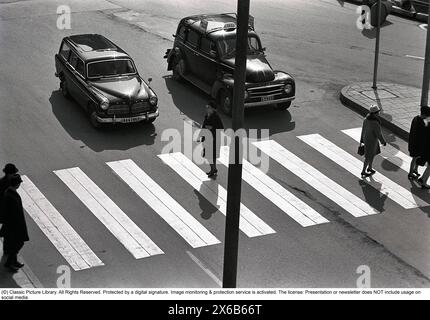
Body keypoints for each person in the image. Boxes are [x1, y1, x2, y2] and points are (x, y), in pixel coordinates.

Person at [0, 174, 29, 272]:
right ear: (16, 184)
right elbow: (9, 213)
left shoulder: (11, 193)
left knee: (15, 243)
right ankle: (9, 262)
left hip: (14, 225)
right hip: (14, 226)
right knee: (18, 243)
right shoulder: (10, 195)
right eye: (19, 183)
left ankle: (13, 261)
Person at [360, 105, 386, 178]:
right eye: (378, 112)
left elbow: (363, 130)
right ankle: (363, 171)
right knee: (368, 156)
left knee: (371, 154)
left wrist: (361, 139)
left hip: (367, 139)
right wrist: (383, 141)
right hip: (372, 141)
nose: (379, 113)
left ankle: (370, 168)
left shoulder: (366, 119)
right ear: (374, 113)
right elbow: (378, 134)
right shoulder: (375, 122)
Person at [201, 101, 224, 178]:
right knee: (210, 156)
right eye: (206, 107)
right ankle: (213, 169)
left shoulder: (216, 117)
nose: (206, 108)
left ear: (212, 109)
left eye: (208, 107)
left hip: (214, 139)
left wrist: (211, 128)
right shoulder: (207, 116)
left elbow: (221, 128)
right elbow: (204, 126)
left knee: (210, 156)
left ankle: (213, 170)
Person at [408, 107, 430, 181]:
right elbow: (425, 132)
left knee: (417, 157)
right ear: (424, 114)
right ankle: (411, 173)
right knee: (414, 158)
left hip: (416, 143)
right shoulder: (421, 122)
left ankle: (415, 170)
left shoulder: (416, 118)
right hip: (416, 144)